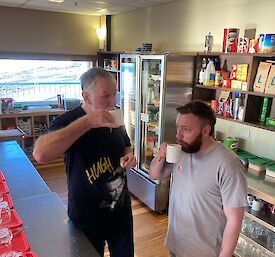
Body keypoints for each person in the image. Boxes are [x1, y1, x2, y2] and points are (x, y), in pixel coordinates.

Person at [33, 67, 136, 257]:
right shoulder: (68, 121)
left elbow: (126, 145)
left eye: (114, 94)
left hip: (120, 211)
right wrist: (88, 122)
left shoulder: (114, 116)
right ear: (86, 96)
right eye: (106, 96)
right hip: (87, 217)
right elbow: (40, 154)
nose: (113, 102)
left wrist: (128, 155)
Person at [149, 100, 247, 257]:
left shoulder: (228, 165)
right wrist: (160, 156)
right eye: (178, 128)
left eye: (186, 130)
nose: (178, 135)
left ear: (206, 131)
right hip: (176, 244)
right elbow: (154, 174)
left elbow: (234, 220)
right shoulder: (182, 151)